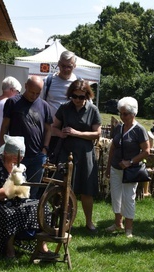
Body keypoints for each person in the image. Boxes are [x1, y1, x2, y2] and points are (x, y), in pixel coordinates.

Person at [0, 135, 56, 260]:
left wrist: (21, 191)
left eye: (20, 158)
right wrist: (9, 190)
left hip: (15, 202)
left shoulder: (19, 167)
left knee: (41, 207)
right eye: (14, 157)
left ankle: (42, 248)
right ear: (5, 153)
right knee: (7, 213)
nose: (17, 160)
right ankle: (9, 250)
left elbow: (22, 191)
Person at [52, 79, 102, 232]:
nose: (78, 100)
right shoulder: (64, 108)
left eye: (82, 97)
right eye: (75, 96)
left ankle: (89, 222)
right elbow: (53, 128)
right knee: (64, 188)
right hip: (66, 153)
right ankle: (66, 221)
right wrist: (61, 133)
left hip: (85, 154)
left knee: (87, 190)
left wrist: (77, 133)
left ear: (87, 96)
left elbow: (97, 134)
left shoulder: (93, 110)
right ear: (70, 95)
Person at [105, 97, 151, 238]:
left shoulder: (139, 130)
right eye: (121, 113)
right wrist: (108, 166)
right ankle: (118, 223)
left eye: (125, 114)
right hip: (115, 168)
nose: (122, 116)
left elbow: (146, 151)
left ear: (133, 114)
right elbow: (113, 147)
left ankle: (129, 229)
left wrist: (130, 161)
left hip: (131, 170)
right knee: (116, 196)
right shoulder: (119, 127)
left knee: (128, 198)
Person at [0, 76, 53, 199]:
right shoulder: (13, 102)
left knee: (33, 190)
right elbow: (4, 127)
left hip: (37, 155)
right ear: (26, 86)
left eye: (37, 93)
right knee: (14, 188)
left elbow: (48, 129)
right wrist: (3, 148)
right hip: (16, 155)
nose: (34, 96)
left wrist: (45, 149)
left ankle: (29, 215)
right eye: (32, 92)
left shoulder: (45, 106)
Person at [43, 51, 78, 161]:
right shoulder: (48, 81)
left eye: (69, 66)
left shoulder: (78, 83)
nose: (66, 69)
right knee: (47, 167)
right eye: (63, 66)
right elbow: (39, 104)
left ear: (75, 66)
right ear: (58, 64)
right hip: (50, 134)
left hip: (70, 135)